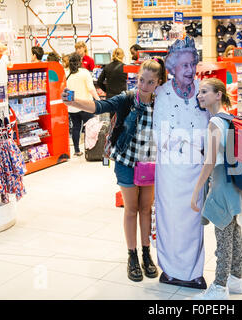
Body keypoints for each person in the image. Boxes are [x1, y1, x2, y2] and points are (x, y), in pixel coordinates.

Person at [62, 58, 167, 282]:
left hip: (149, 164)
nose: (144, 85)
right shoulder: (127, 99)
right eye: (141, 80)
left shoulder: (162, 103)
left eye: (150, 82)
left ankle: (146, 253)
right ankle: (132, 255)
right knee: (131, 209)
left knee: (146, 209)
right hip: (126, 161)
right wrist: (74, 100)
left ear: (158, 82)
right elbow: (100, 106)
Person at [153, 36, 210, 289]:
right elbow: (159, 133)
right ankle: (170, 269)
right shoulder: (163, 94)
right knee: (171, 219)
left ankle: (193, 271)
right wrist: (189, 144)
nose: (190, 70)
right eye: (184, 65)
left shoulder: (203, 89)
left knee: (193, 220)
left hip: (198, 170)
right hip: (171, 170)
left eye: (192, 64)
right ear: (172, 68)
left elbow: (213, 122)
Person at [191, 78, 242, 300]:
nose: (200, 95)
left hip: (221, 186)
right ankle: (236, 279)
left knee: (223, 235)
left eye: (205, 91)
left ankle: (219, 287)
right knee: (235, 232)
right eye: (199, 92)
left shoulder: (215, 122)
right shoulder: (231, 118)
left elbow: (209, 162)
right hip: (235, 184)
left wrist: (197, 189)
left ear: (218, 95)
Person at [66, 52, 100, 156]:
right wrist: (98, 100)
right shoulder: (84, 72)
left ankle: (76, 150)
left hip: (73, 107)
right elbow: (91, 89)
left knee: (76, 127)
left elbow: (67, 91)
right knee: (90, 127)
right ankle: (90, 150)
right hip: (85, 105)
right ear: (80, 61)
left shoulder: (67, 73)